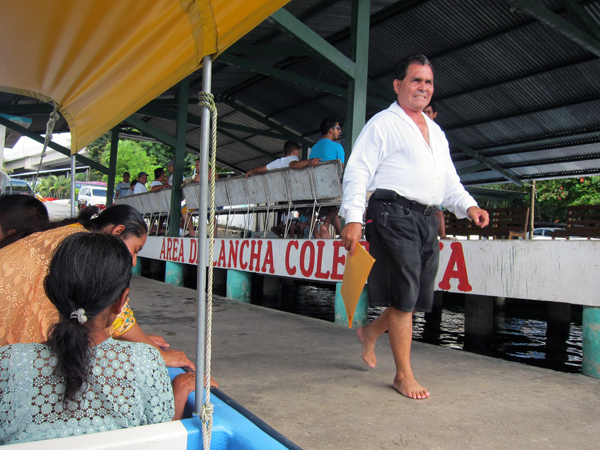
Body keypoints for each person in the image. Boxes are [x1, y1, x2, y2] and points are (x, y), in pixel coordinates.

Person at [340, 55, 489, 400]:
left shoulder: (435, 131)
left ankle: (370, 333)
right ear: (397, 85)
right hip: (393, 214)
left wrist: (469, 206)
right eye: (416, 80)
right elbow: (358, 170)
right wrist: (353, 218)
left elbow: (447, 179)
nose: (424, 88)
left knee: (415, 298)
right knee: (404, 298)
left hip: (425, 219)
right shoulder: (383, 124)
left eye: (429, 82)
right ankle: (403, 375)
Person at [0, 233, 196, 444]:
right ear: (121, 302)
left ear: (49, 290)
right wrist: (180, 391)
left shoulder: (10, 363)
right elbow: (162, 443)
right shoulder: (144, 361)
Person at [0, 204, 194, 370]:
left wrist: (139, 340)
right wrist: (156, 353)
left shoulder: (69, 233)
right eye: (134, 250)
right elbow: (113, 312)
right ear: (117, 232)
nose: (133, 261)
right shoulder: (84, 249)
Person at [308, 119, 345, 238]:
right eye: (338, 128)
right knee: (341, 199)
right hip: (331, 192)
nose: (340, 131)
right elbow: (341, 170)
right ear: (330, 130)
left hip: (315, 192)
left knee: (335, 210)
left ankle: (336, 236)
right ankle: (326, 224)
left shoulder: (314, 148)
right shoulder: (337, 147)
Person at [424, 102, 446, 238]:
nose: (425, 115)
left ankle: (443, 236)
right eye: (423, 112)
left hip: (434, 176)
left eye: (428, 112)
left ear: (434, 115)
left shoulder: (438, 135)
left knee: (437, 206)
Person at [245, 140, 319, 178]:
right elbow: (293, 165)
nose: (298, 154)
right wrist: (309, 161)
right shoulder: (293, 159)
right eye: (298, 152)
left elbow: (260, 170)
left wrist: (252, 170)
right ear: (294, 151)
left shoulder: (277, 162)